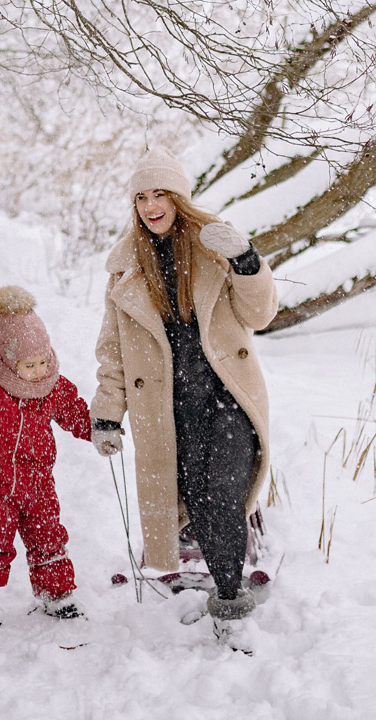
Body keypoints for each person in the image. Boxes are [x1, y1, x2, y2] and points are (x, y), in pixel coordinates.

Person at [89, 146, 279, 652]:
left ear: (179, 198)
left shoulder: (215, 246)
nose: (151, 205)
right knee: (198, 502)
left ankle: (232, 607)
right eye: (141, 197)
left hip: (229, 397)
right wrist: (107, 414)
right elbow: (114, 353)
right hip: (172, 412)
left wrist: (245, 260)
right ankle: (225, 568)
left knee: (221, 496)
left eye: (160, 194)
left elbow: (260, 314)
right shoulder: (126, 269)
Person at [0, 286, 92, 626]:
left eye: (43, 360)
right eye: (30, 365)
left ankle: (54, 594)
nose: (39, 370)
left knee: (49, 536)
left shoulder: (53, 385)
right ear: (10, 362)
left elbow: (74, 411)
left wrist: (99, 429)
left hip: (39, 483)